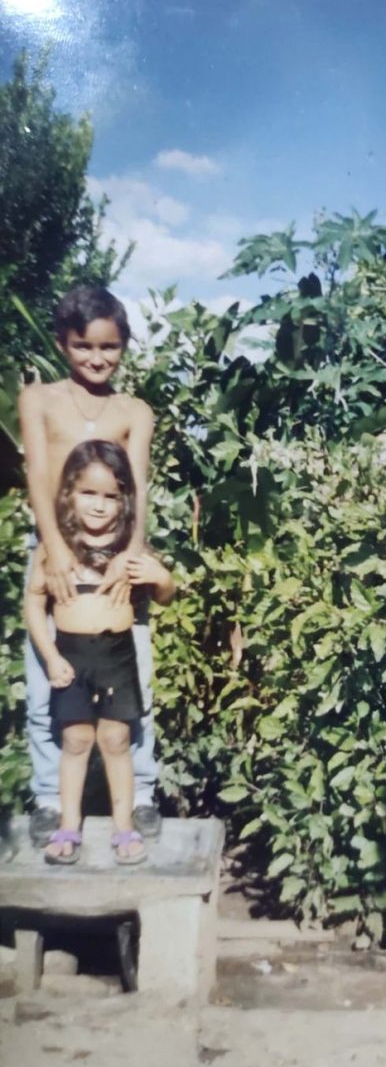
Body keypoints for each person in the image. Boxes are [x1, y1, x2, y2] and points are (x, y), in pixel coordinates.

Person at [18, 285, 161, 846]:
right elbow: (36, 475)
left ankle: (142, 794)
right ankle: (51, 799)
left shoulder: (134, 411)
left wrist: (133, 553)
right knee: (46, 675)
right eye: (83, 347)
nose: (97, 358)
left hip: (119, 551)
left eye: (109, 347)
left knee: (132, 672)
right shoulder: (40, 399)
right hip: (57, 545)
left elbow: (139, 488)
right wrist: (53, 548)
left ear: (123, 346)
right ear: (63, 344)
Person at [24, 441, 174, 864]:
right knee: (75, 740)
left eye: (111, 496)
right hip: (71, 655)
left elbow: (165, 596)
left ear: (125, 499)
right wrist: (51, 657)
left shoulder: (130, 547)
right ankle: (68, 825)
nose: (100, 505)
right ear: (69, 492)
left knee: (116, 739)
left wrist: (160, 577)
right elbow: (34, 606)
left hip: (116, 655)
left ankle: (124, 829)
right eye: (89, 493)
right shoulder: (55, 551)